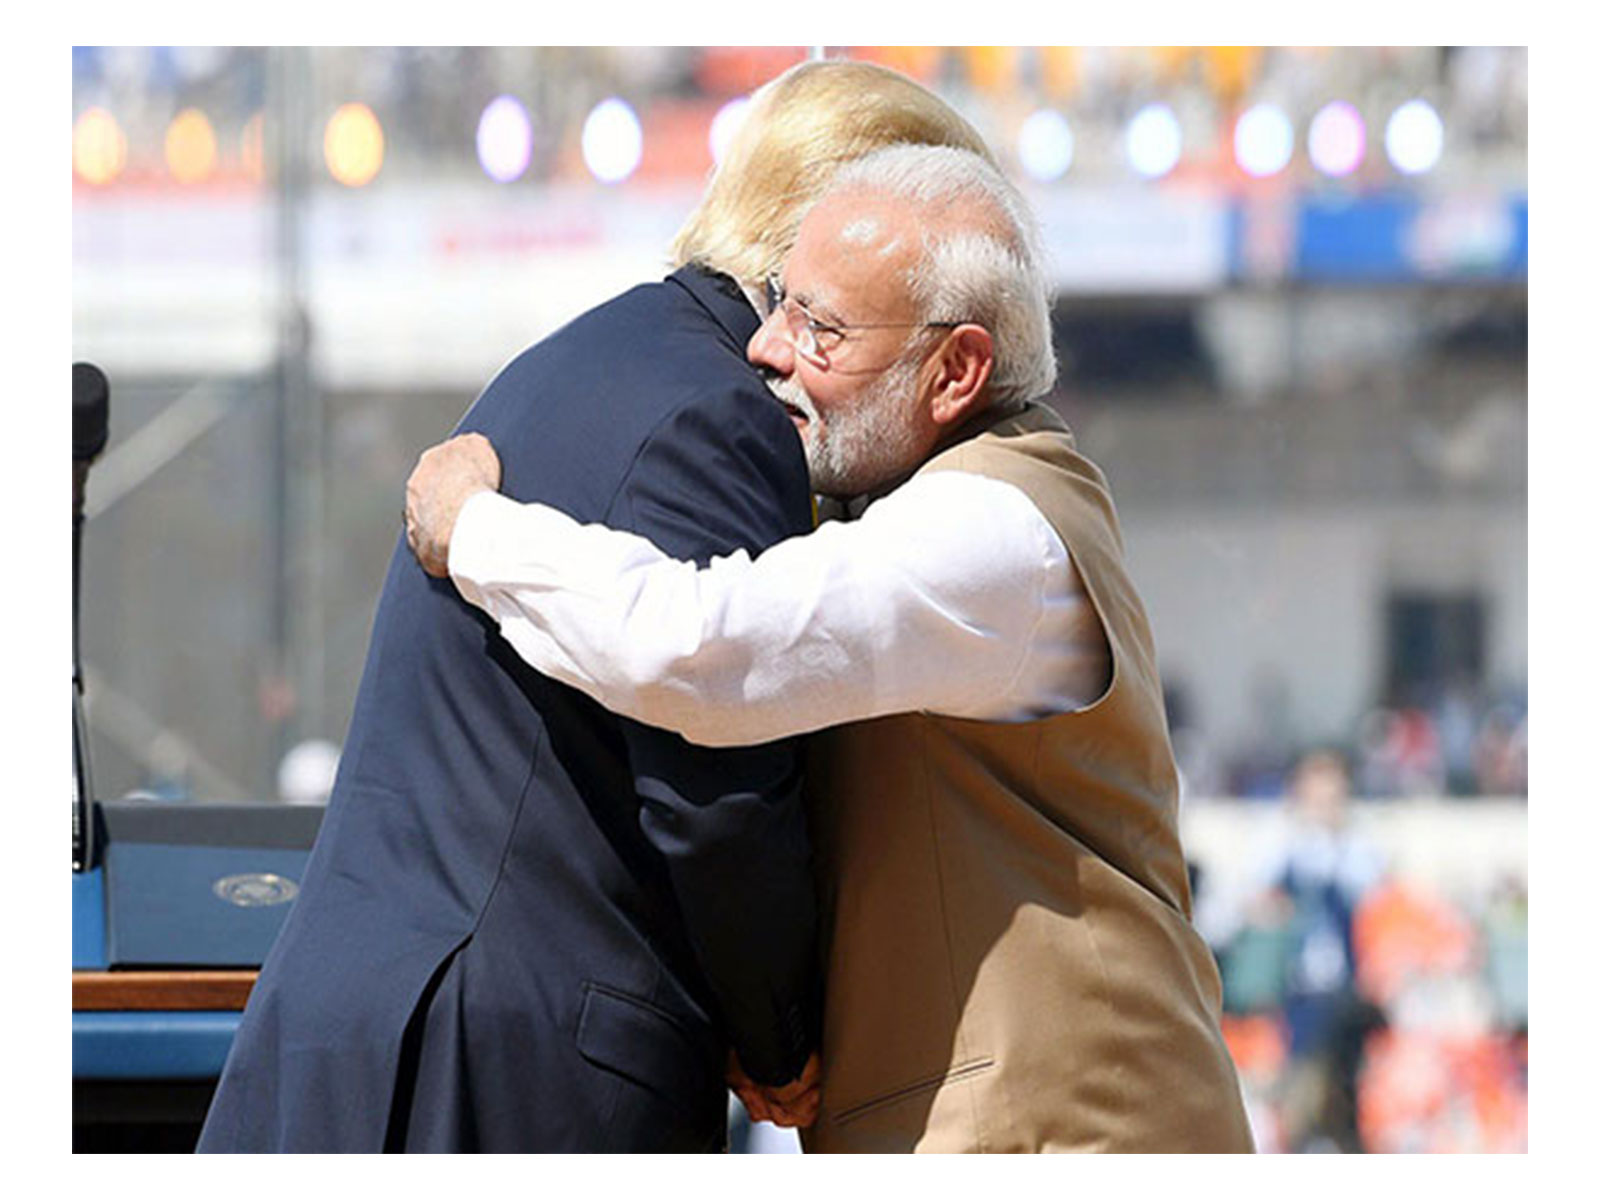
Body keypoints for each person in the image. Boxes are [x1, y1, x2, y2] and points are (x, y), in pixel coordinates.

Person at [198, 60, 994, 1153]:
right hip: (499, 1066)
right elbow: (713, 782)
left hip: (374, 1032)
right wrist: (783, 1044)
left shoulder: (596, 357)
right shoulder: (723, 417)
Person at [404, 143, 1256, 1152]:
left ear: (957, 372)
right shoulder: (944, 504)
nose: (767, 349)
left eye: (821, 328)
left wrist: (477, 530)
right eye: (780, 303)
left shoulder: (989, 534)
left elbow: (701, 651)